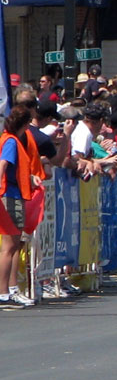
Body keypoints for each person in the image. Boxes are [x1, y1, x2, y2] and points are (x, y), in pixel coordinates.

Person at [0, 106, 42, 305]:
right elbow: (3, 165)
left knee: (14, 245)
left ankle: (10, 289)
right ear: (25, 124)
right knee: (9, 247)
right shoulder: (10, 141)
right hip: (9, 195)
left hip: (14, 193)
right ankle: (4, 291)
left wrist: (30, 177)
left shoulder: (10, 139)